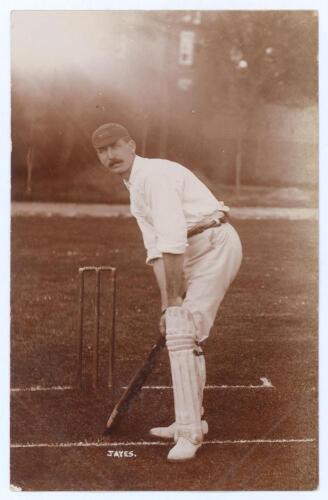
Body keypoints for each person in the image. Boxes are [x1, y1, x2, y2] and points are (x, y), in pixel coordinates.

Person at [91, 122, 242, 462]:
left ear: (131, 145)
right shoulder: (136, 189)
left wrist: (174, 303)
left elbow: (172, 238)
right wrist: (167, 305)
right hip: (190, 249)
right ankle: (191, 421)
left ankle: (189, 432)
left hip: (213, 244)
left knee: (184, 333)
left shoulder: (153, 176)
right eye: (102, 151)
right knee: (181, 329)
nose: (110, 155)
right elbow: (157, 251)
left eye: (115, 146)